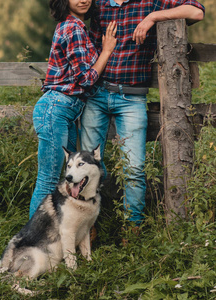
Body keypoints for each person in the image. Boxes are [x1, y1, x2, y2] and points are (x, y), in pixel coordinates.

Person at [80, 0, 205, 226]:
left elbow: (197, 11)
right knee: (86, 166)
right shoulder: (99, 5)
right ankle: (87, 228)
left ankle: (132, 229)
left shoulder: (151, 2)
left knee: (134, 168)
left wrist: (153, 17)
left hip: (131, 98)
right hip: (97, 94)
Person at [29, 0, 117, 218]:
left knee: (65, 179)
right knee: (48, 179)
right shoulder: (72, 28)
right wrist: (106, 51)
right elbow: (86, 79)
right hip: (55, 110)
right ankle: (32, 240)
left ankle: (57, 236)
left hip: (65, 112)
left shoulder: (77, 27)